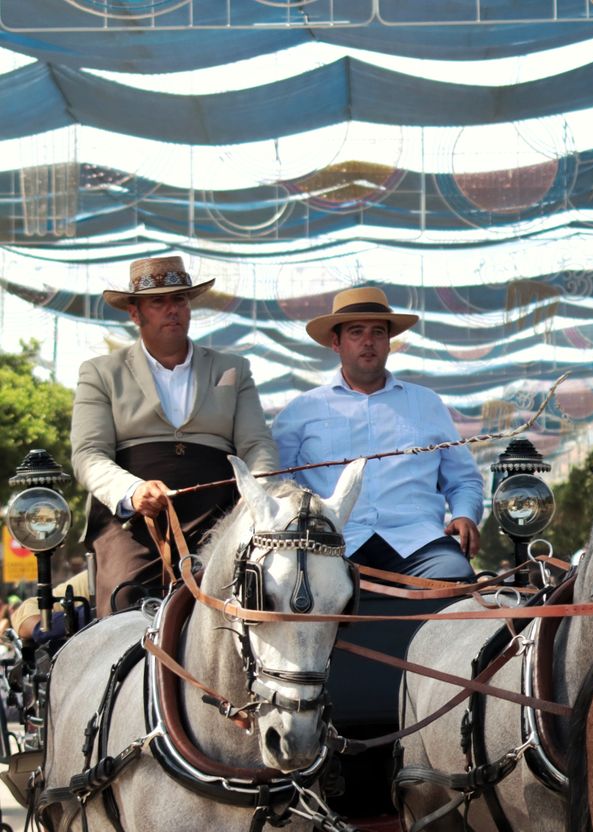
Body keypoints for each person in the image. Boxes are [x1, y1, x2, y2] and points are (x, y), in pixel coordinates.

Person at [70, 256, 278, 617]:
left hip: (223, 513)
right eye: (159, 302)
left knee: (259, 594)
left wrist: (257, 495)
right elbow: (88, 454)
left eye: (179, 300)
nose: (173, 310)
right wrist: (132, 491)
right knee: (125, 601)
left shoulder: (233, 369)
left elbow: (257, 445)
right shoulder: (101, 372)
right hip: (133, 524)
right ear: (135, 314)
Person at [273, 287, 482, 581]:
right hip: (331, 546)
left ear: (389, 342)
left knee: (455, 578)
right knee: (310, 594)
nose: (368, 342)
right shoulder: (301, 410)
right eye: (356, 332)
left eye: (378, 333)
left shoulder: (426, 403)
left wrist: (464, 515)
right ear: (336, 343)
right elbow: (275, 484)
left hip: (419, 543)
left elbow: (463, 480)